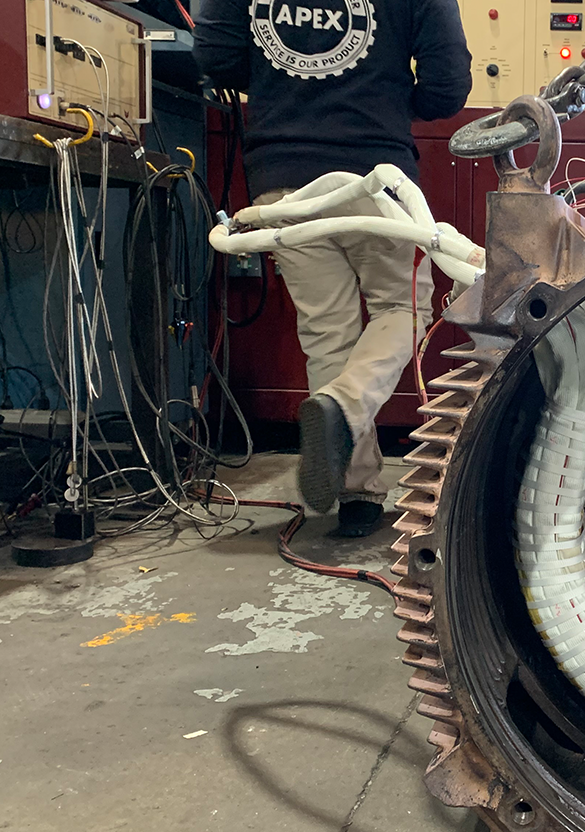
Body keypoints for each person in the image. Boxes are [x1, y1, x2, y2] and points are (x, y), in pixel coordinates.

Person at [194, 0, 471, 536]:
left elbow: (217, 55)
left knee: (327, 333)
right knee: (403, 310)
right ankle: (343, 409)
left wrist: (287, 88)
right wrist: (383, 96)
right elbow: (447, 84)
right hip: (375, 173)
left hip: (282, 177)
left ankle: (354, 489)